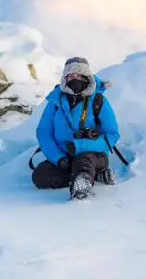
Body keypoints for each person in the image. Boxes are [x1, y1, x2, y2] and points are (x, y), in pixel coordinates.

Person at [31, 57, 120, 201]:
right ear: (65, 78)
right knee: (41, 176)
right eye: (70, 76)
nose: (74, 79)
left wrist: (80, 146)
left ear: (86, 76)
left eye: (78, 75)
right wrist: (58, 158)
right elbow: (43, 132)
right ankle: (94, 175)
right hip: (65, 156)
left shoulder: (98, 101)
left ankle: (82, 187)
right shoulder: (56, 101)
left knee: (83, 162)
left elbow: (112, 134)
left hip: (93, 155)